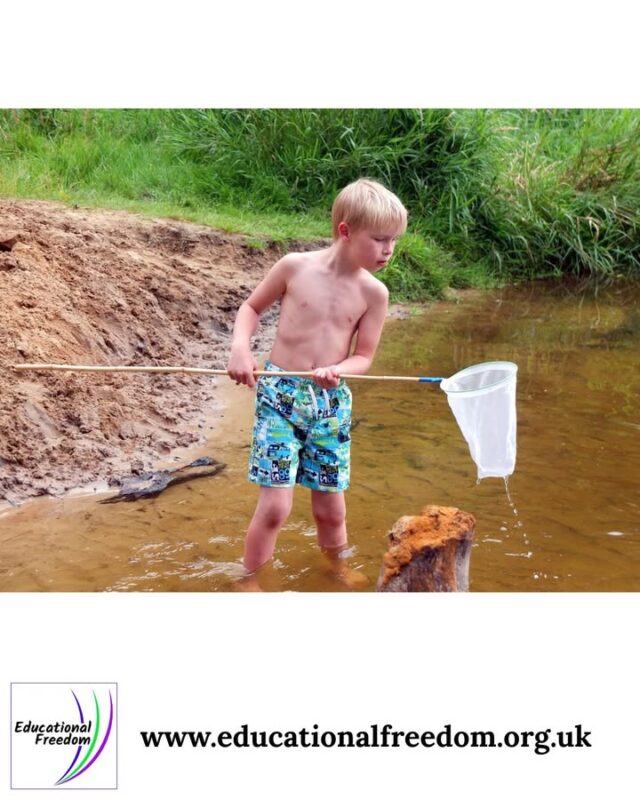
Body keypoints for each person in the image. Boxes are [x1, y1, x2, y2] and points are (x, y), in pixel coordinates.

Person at [227, 178, 408, 587]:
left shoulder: (374, 293)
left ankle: (336, 570)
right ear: (345, 231)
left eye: (394, 240)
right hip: (280, 396)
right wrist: (241, 348)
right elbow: (251, 308)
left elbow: (364, 357)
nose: (389, 250)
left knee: (332, 510)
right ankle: (250, 579)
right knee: (275, 507)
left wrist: (340, 369)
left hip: (329, 406)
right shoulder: (295, 267)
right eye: (379, 239)